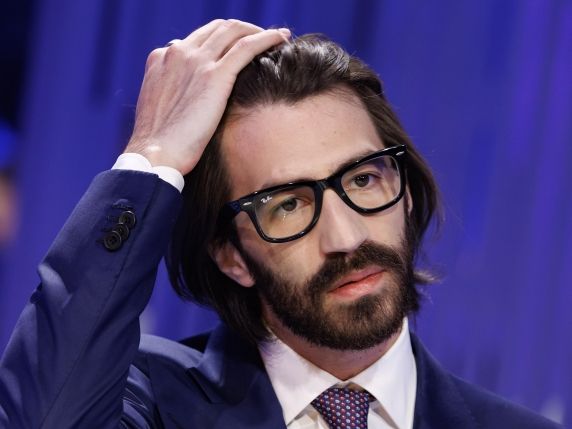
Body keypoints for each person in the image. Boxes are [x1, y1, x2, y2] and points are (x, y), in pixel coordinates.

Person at [0, 19, 561, 429]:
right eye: (287, 205)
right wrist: (154, 156)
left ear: (407, 193)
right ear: (231, 255)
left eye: (363, 180)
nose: (346, 238)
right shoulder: (152, 404)